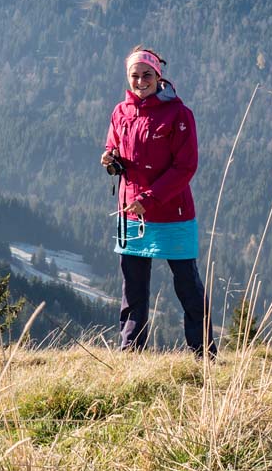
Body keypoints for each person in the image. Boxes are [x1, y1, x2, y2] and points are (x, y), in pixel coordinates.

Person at [101, 46, 216, 355]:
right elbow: (113, 142)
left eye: (146, 75)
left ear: (158, 76)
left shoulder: (179, 114)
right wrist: (110, 156)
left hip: (172, 213)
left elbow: (185, 166)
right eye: (135, 76)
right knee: (133, 289)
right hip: (130, 213)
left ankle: (203, 352)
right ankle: (130, 352)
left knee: (187, 286)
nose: (140, 81)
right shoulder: (120, 111)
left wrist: (149, 199)